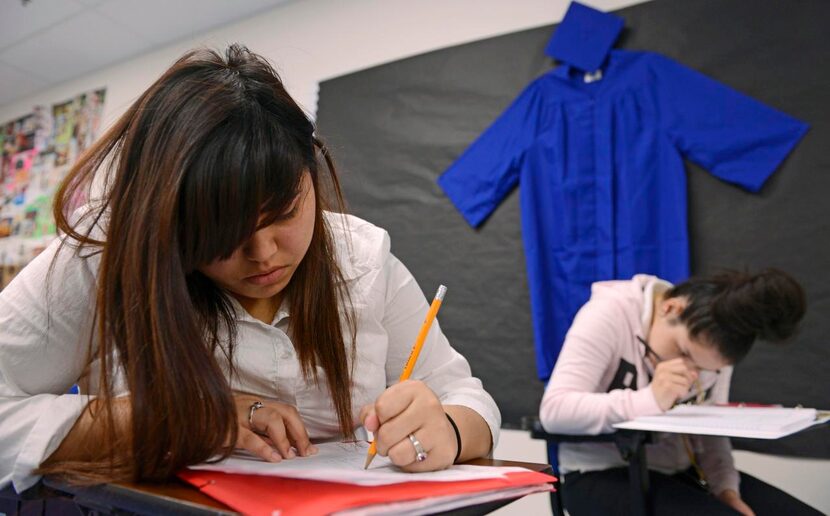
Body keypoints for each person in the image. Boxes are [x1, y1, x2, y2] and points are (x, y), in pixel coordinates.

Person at [0, 45, 499, 493]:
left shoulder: (363, 258)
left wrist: (449, 429)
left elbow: (466, 397)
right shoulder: (107, 250)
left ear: (312, 172)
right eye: (222, 231)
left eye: (284, 213)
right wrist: (176, 419)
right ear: (164, 217)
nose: (264, 254)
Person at [539, 271, 822, 515]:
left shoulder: (715, 354)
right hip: (599, 474)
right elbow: (555, 411)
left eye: (706, 368)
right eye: (683, 352)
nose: (690, 373)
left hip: (680, 472)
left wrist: (726, 488)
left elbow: (712, 434)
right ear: (671, 308)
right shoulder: (610, 313)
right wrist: (650, 399)